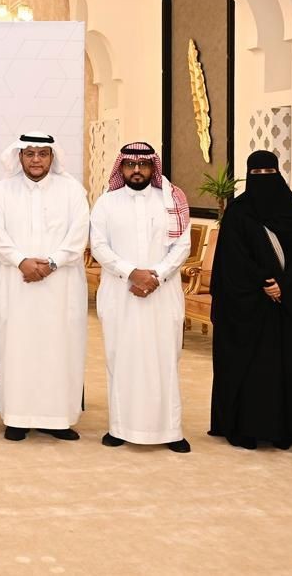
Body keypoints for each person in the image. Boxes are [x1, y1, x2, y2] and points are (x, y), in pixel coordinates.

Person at [89, 141, 192, 453]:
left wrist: (156, 275)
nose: (137, 170)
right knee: (121, 358)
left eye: (143, 165)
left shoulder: (171, 201)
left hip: (163, 293)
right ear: (121, 168)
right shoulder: (107, 203)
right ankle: (119, 428)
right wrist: (131, 272)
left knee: (165, 358)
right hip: (120, 293)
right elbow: (98, 245)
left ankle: (170, 430)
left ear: (153, 167)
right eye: (130, 164)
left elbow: (182, 245)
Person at [0, 132, 90, 442]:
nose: (36, 160)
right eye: (30, 153)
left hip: (61, 286)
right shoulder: (3, 190)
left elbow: (78, 234)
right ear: (19, 156)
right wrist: (21, 261)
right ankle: (17, 418)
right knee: (17, 348)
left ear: (52, 157)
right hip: (16, 284)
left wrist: (51, 264)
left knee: (60, 348)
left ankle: (57, 419)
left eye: (42, 154)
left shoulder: (72, 190)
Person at [209, 150, 292, 450]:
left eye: (269, 173)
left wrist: (284, 286)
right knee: (249, 367)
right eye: (257, 174)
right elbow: (232, 259)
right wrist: (265, 282)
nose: (263, 179)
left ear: (278, 174)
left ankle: (283, 430)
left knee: (283, 367)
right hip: (247, 308)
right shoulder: (238, 212)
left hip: (284, 307)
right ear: (248, 175)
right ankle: (245, 428)